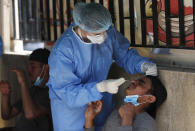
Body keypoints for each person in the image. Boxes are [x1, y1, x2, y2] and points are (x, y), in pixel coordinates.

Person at [47, 2, 158, 131]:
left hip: (99, 106)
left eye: (105, 31)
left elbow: (124, 54)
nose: (104, 37)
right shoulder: (63, 51)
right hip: (71, 115)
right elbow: (66, 92)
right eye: (98, 33)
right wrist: (100, 87)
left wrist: (142, 64)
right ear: (83, 27)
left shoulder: (107, 32)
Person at [84, 75, 167, 131]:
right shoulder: (117, 112)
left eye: (141, 82)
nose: (133, 81)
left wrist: (127, 119)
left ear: (149, 98)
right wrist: (89, 120)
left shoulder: (148, 125)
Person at [0, 48, 52, 131]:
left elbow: (30, 114)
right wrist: (5, 95)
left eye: (33, 66)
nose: (29, 70)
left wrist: (23, 82)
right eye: (29, 66)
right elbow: (7, 115)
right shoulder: (33, 89)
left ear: (46, 68)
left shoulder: (52, 93)